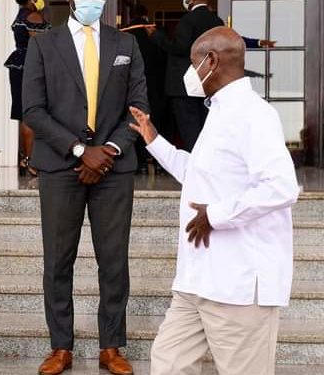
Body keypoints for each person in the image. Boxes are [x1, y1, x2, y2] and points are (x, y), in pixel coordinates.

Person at [129, 27, 300, 375]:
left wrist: (216, 216)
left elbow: (281, 186)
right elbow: (199, 173)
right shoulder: (218, 111)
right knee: (168, 364)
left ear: (211, 61)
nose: (189, 74)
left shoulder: (254, 114)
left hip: (237, 286)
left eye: (193, 64)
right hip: (196, 281)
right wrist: (154, 140)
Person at [22, 0, 149, 374]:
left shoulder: (126, 44)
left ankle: (111, 346)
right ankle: (60, 346)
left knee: (113, 259)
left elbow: (138, 104)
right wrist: (80, 151)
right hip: (60, 165)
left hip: (114, 165)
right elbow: (32, 109)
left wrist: (107, 151)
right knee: (58, 259)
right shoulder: (43, 44)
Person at [149, 0, 275, 152]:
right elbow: (232, 40)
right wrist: (258, 42)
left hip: (184, 86)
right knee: (207, 127)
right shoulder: (216, 21)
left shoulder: (187, 20)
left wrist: (157, 36)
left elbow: (179, 47)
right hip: (210, 81)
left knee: (190, 128)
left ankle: (196, 164)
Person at [5, 0, 51, 177]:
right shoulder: (32, 16)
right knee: (30, 112)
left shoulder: (21, 14)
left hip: (19, 66)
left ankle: (25, 158)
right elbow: (40, 43)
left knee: (22, 113)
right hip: (31, 66)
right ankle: (32, 161)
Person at [124, 4, 167, 174]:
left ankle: (139, 163)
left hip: (132, 86)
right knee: (157, 121)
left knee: (134, 121)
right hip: (157, 85)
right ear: (146, 15)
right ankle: (159, 163)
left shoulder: (124, 34)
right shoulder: (157, 33)